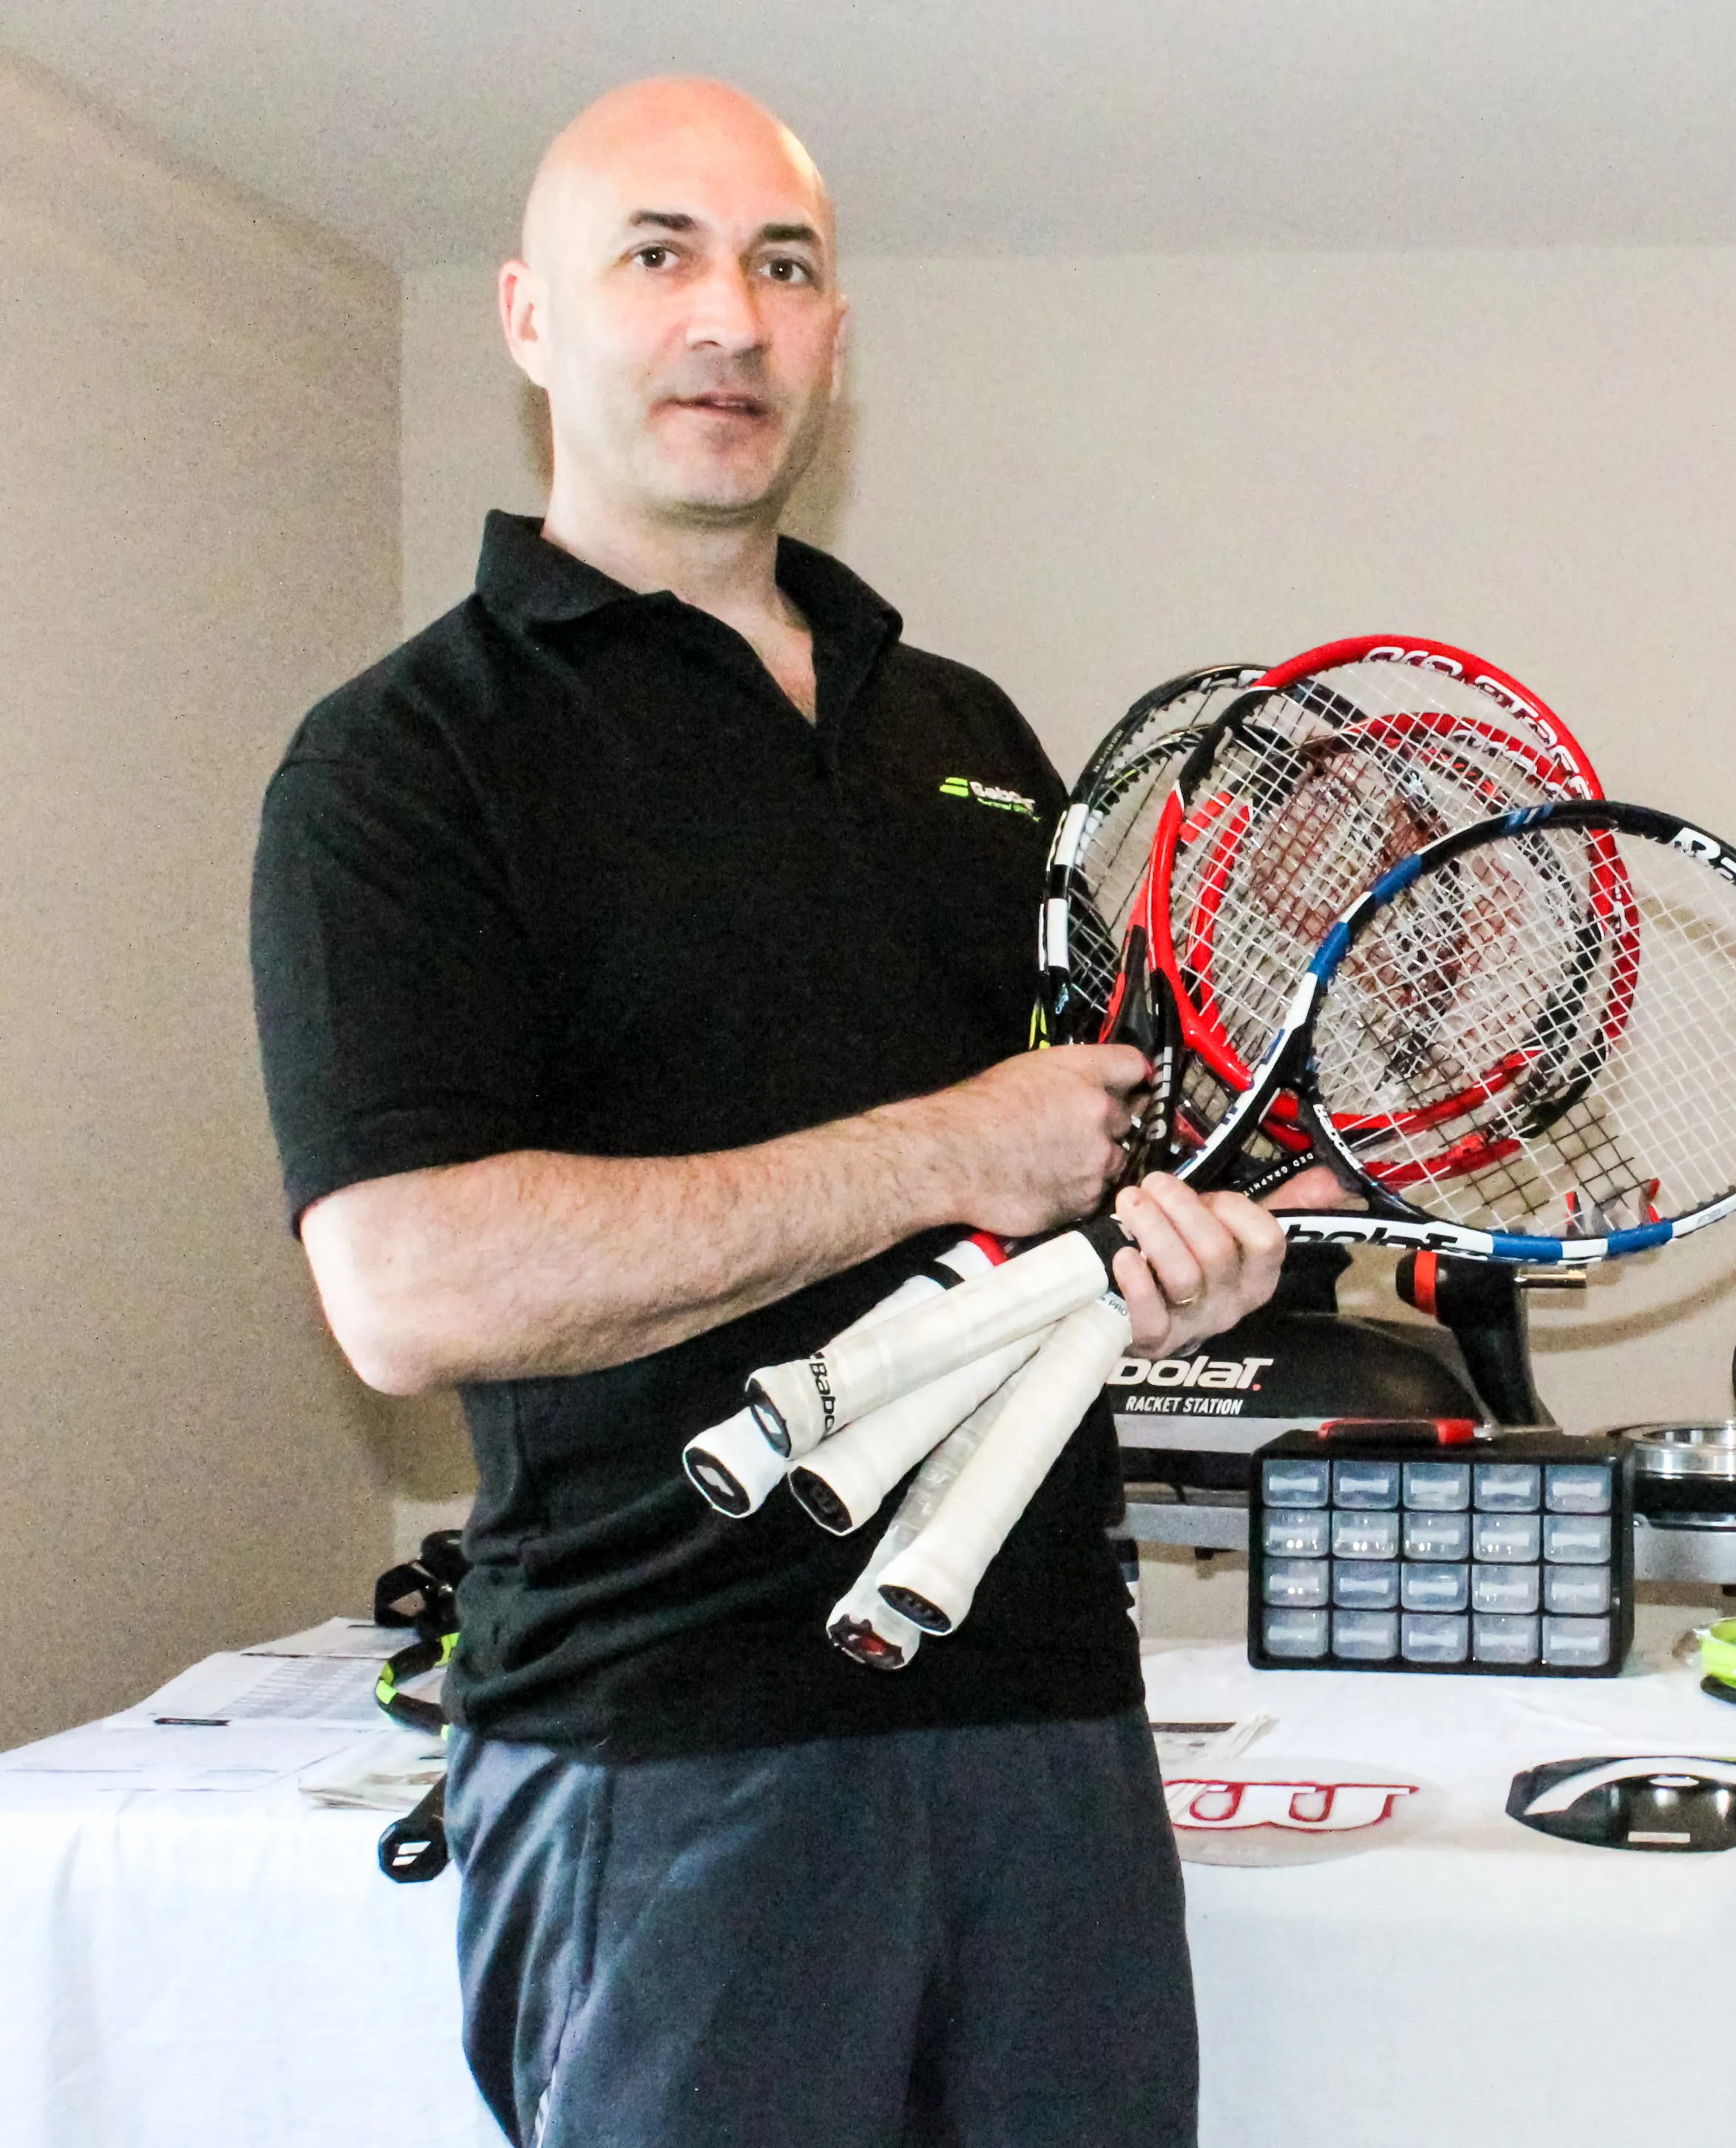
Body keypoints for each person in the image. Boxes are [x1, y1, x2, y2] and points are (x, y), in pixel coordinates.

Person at [250, 75, 1312, 2147]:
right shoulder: (400, 765)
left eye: (785, 267)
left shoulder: (971, 733)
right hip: (663, 1748)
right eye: (659, 254)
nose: (727, 317)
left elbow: (1059, 1180)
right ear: (531, 317)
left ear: (834, 335)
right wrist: (942, 1154)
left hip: (1043, 1719)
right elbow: (406, 1288)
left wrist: (1152, 1262)